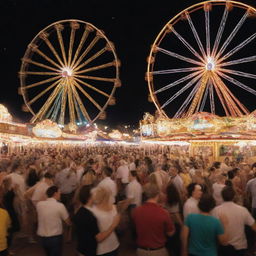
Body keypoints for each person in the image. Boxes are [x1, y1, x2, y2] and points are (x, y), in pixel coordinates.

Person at [73, 185, 120, 256]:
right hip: (91, 251)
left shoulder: (83, 210)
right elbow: (99, 238)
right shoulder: (88, 214)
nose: (97, 194)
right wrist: (114, 225)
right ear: (90, 196)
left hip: (88, 249)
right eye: (95, 192)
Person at [132, 183, 175, 256]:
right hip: (158, 251)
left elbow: (135, 230)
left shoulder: (136, 211)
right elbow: (170, 233)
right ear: (157, 195)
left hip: (141, 251)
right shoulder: (163, 212)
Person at [212, 186, 256, 256]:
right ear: (234, 196)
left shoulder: (215, 210)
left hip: (223, 247)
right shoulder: (242, 210)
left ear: (222, 196)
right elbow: (254, 227)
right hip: (240, 247)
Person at [36, 186, 71, 256]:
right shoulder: (60, 206)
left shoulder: (39, 205)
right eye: (59, 193)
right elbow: (68, 222)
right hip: (55, 237)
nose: (60, 194)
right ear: (55, 193)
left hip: (42, 238)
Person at [91, 187, 120, 256]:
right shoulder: (93, 212)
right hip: (107, 247)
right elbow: (99, 238)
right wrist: (114, 225)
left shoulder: (92, 211)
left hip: (109, 246)